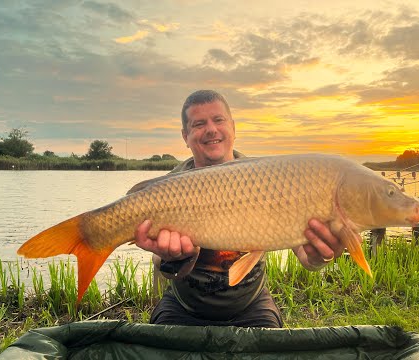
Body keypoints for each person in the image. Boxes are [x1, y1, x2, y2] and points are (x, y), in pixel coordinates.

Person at [132, 90, 345, 327]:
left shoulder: (268, 180)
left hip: (250, 306)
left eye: (219, 120)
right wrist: (174, 259)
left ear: (233, 127)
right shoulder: (170, 186)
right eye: (199, 124)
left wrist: (321, 256)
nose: (211, 129)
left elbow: (306, 257)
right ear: (185, 136)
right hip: (184, 307)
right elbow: (162, 267)